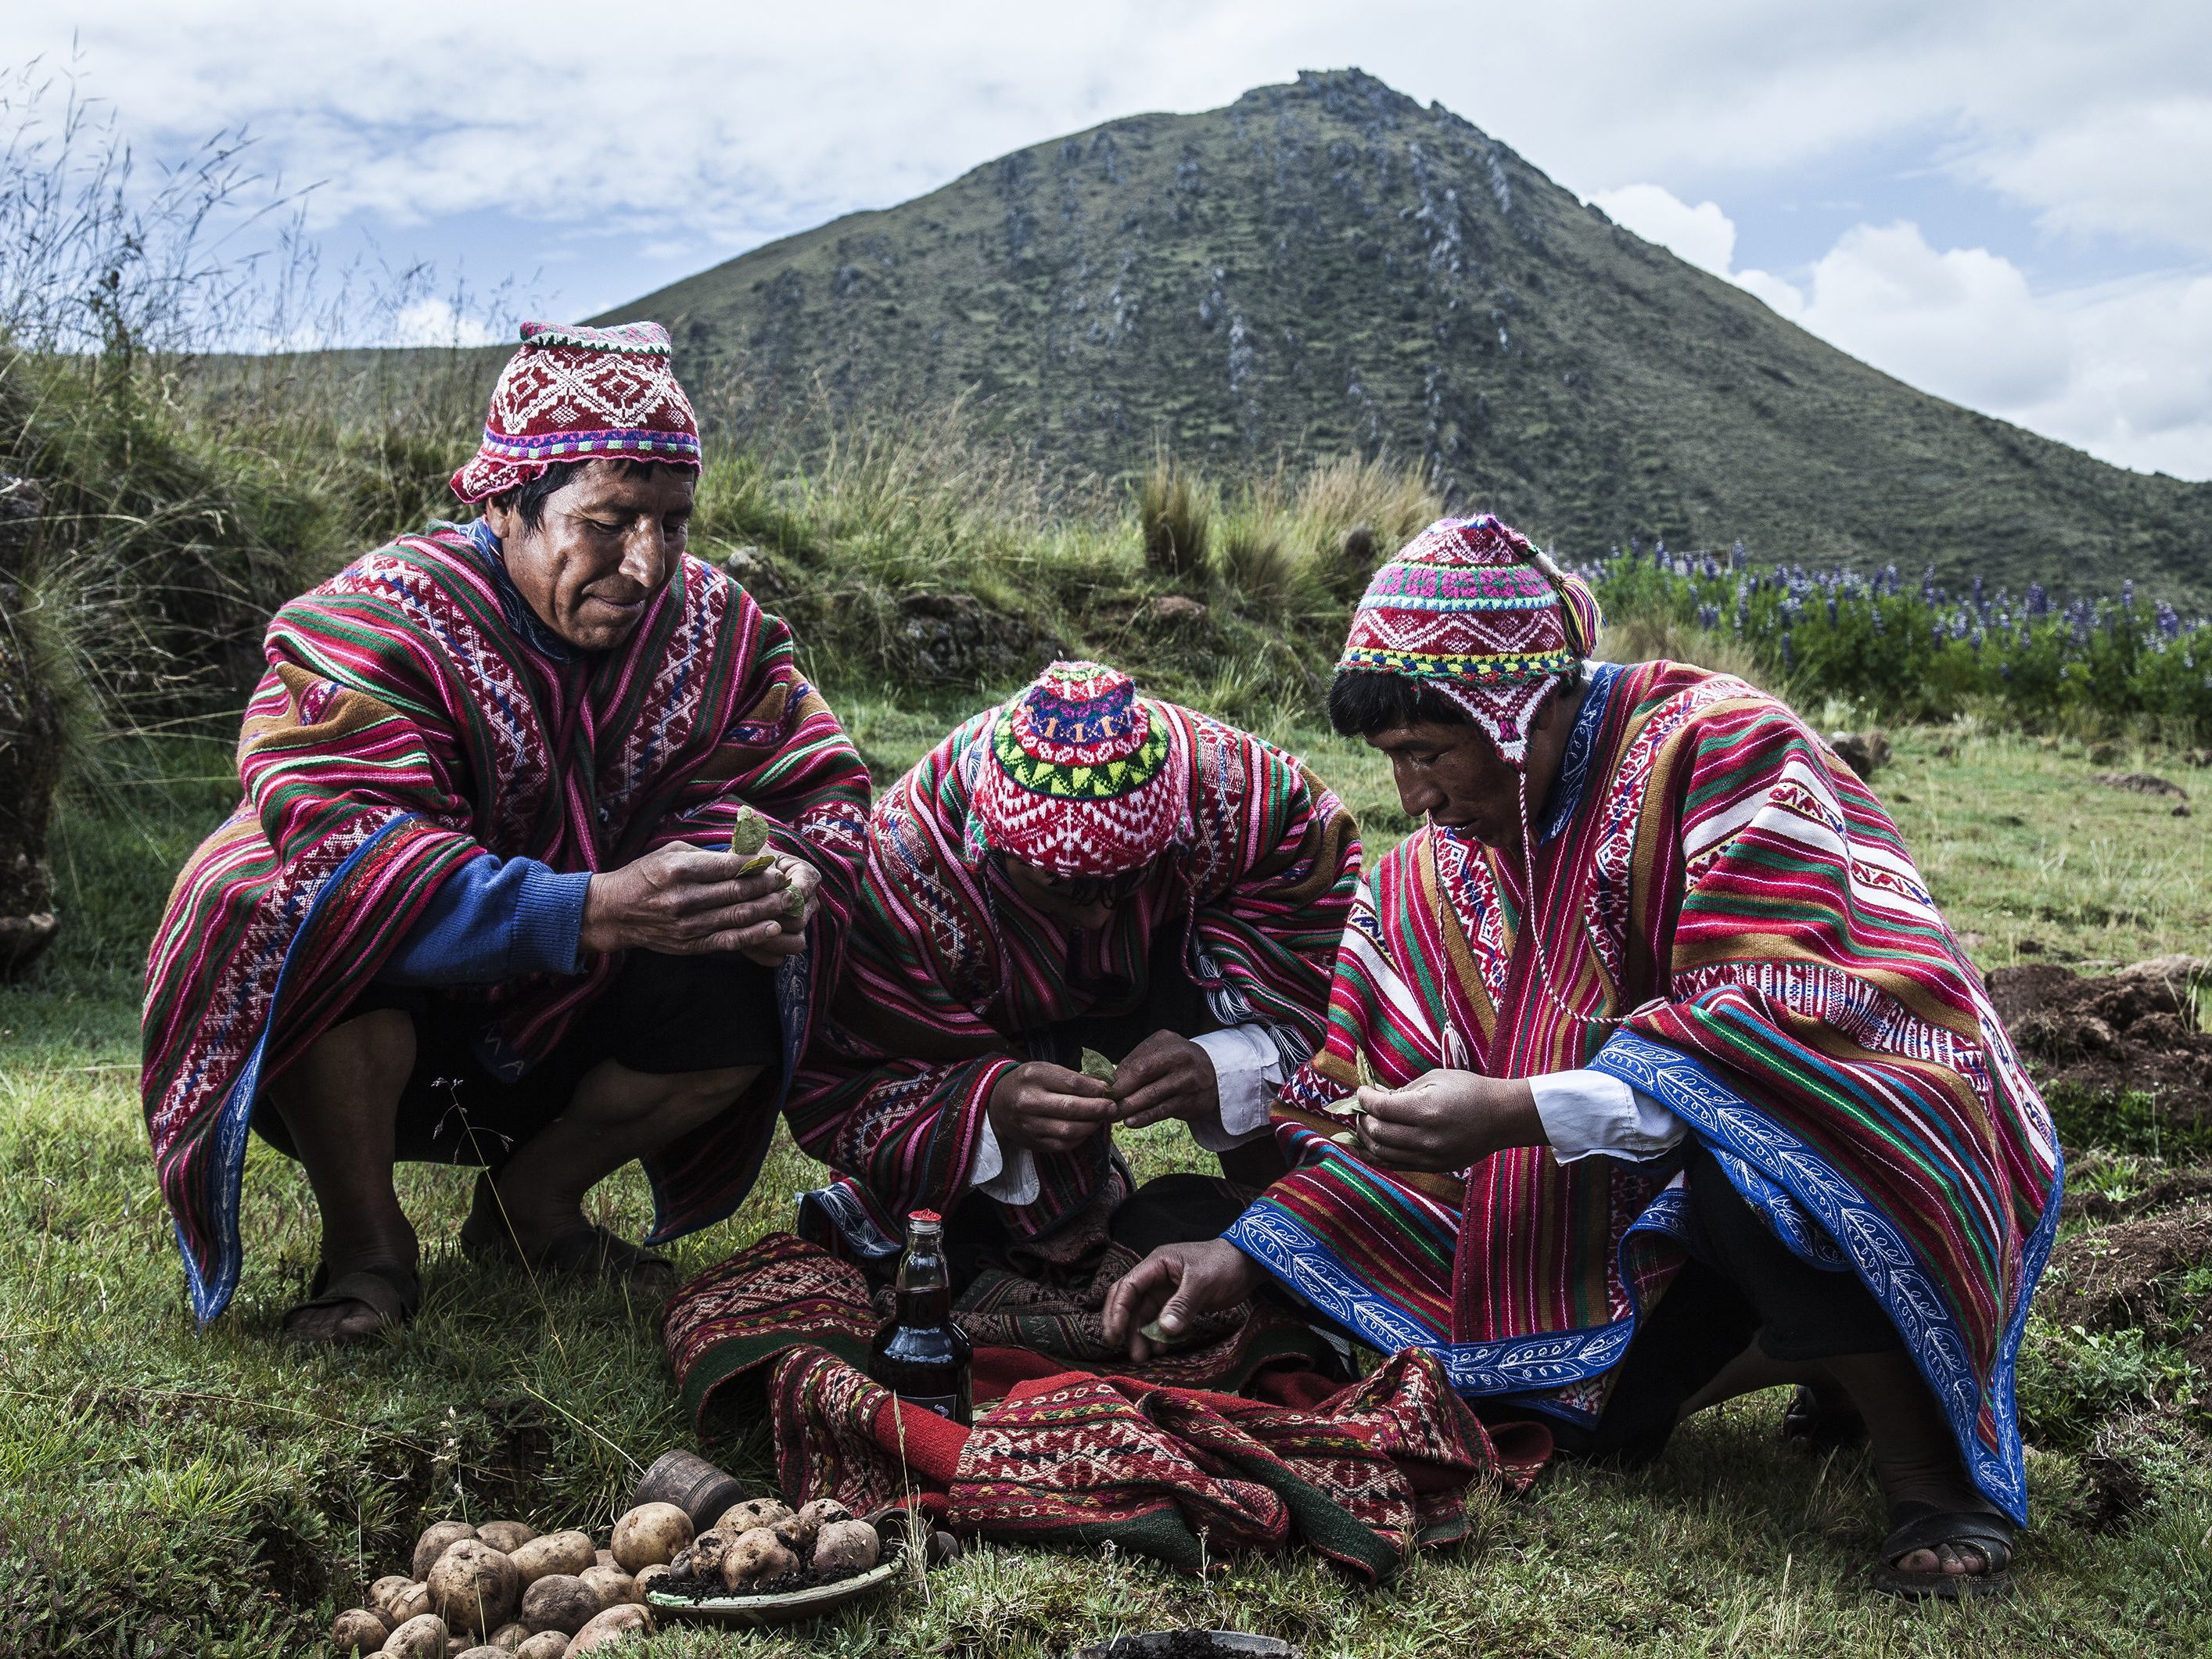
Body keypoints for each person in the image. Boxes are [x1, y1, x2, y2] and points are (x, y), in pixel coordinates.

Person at [1105, 516, 2060, 1598]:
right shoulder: (1424, 879)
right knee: (1584, 1421)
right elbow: (1365, 1111)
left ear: (1527, 711)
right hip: (1630, 1199)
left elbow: (1791, 1026)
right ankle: (1815, 1348)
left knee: (1765, 1149)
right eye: (1393, 760)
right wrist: (1248, 1252)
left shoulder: (1723, 745)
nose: (1412, 796)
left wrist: (1518, 1111)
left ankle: (1933, 1476)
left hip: (1869, 1103)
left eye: (1429, 752)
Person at [142, 321, 872, 1342]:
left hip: (578, 1025)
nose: (649, 560)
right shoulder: (375, 622)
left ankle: (531, 1205)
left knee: (756, 962)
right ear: (506, 505)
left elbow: (819, 796)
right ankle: (367, 1250)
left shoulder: (722, 631)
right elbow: (342, 847)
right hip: (389, 1029)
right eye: (609, 522)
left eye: (674, 521)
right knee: (282, 897)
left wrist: (772, 880)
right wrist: (592, 906)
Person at [787, 660, 1360, 1267]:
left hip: (1178, 933)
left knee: (1286, 1153)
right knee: (961, 1244)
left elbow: (1332, 972)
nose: (1097, 918)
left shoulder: (1234, 793)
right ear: (988, 848)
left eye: (1125, 882)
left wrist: (1226, 1062)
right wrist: (988, 1103)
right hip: (979, 981)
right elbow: (842, 1069)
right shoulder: (910, 867)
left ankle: (1300, 1250)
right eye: (1064, 888)